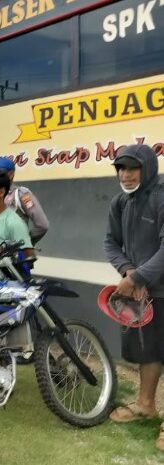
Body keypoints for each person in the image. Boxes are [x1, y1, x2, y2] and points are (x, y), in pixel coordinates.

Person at [104, 144, 164, 450]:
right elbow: (110, 243)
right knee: (150, 351)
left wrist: (138, 277)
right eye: (121, 169)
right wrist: (129, 271)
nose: (126, 175)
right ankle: (145, 404)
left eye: (133, 168)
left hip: (155, 286)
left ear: (148, 168)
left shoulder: (161, 197)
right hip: (144, 293)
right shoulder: (120, 203)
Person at [0, 157, 49, 245]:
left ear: (10, 175)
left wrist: (24, 243)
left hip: (13, 256)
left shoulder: (21, 194)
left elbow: (42, 225)